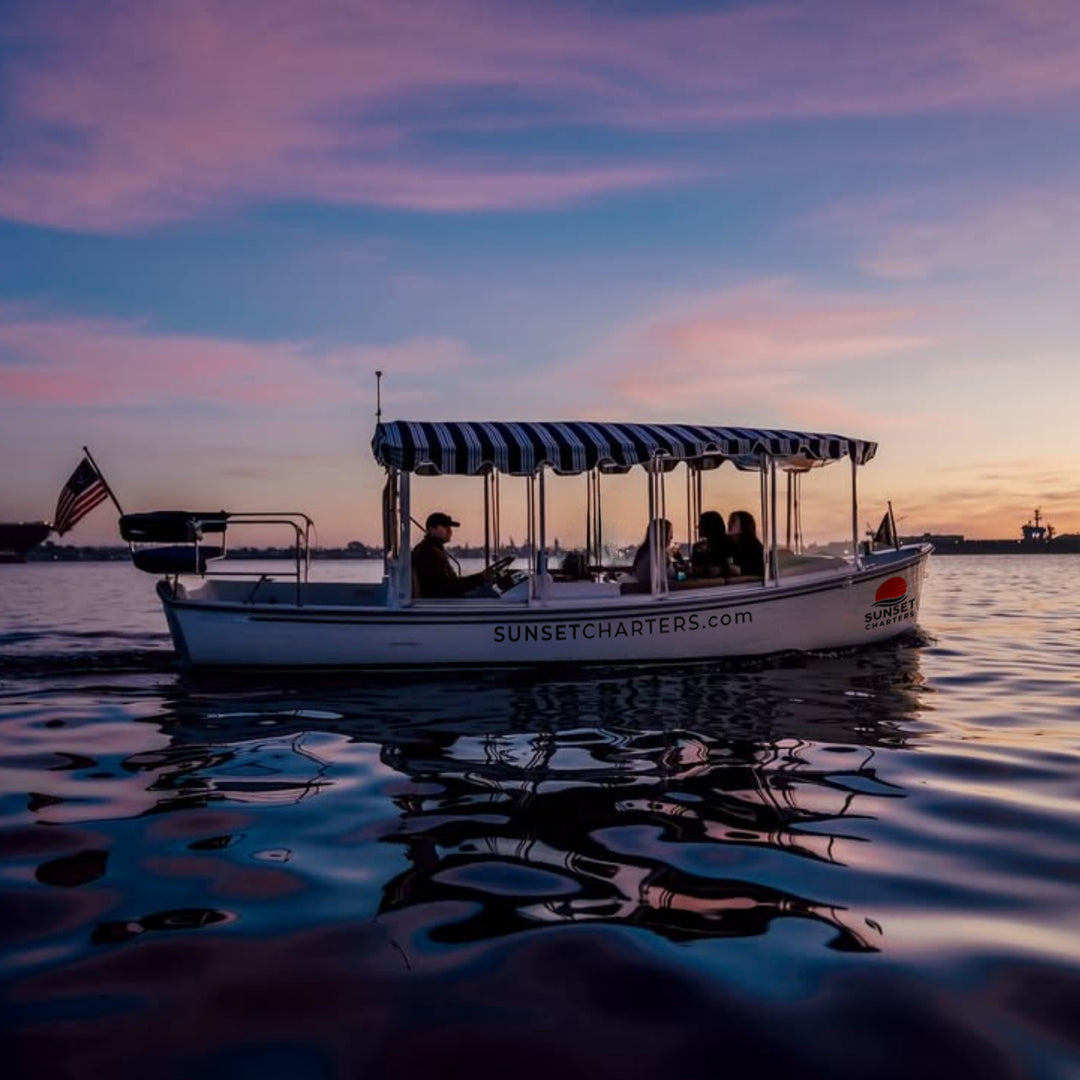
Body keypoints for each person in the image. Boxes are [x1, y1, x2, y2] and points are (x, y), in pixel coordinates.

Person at [411, 512, 494, 598]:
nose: (449, 531)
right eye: (445, 527)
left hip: (443, 598)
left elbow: (450, 583)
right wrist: (480, 578)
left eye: (449, 527)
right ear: (432, 529)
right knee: (490, 594)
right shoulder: (429, 553)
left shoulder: (432, 549)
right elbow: (448, 586)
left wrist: (479, 578)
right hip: (440, 602)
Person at [630, 518, 682, 587]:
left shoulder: (645, 551)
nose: (672, 537)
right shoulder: (658, 554)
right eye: (670, 533)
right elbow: (661, 582)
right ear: (662, 534)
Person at [690, 510, 731, 579]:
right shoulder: (697, 547)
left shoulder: (726, 545)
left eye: (701, 524)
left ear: (709, 526)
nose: (698, 527)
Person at [727, 509, 765, 577]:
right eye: (729, 521)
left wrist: (740, 570)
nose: (729, 524)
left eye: (733, 521)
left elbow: (761, 570)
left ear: (744, 525)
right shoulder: (728, 544)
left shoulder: (754, 546)